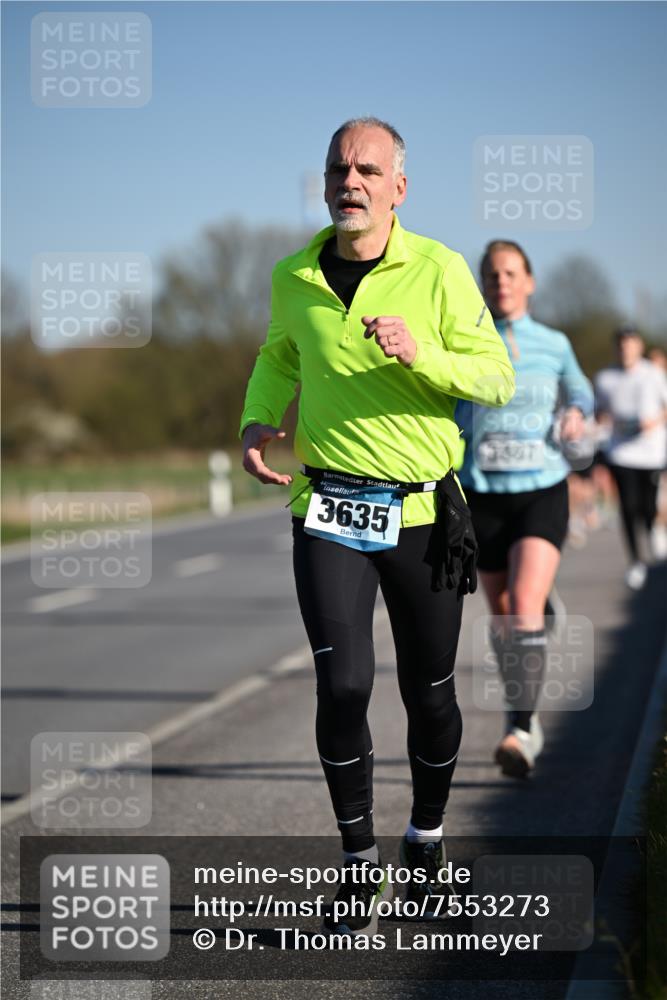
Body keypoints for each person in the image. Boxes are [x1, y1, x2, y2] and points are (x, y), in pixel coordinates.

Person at [240, 118, 514, 936]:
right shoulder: (293, 274)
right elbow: (279, 355)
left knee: (427, 692)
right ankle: (358, 864)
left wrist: (420, 353)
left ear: (399, 186)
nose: (349, 181)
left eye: (367, 169)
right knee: (344, 684)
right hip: (326, 506)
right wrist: (258, 421)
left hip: (423, 512)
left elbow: (494, 377)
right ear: (323, 183)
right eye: (337, 169)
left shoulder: (438, 269)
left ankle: (424, 840)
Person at [456, 240, 594, 779]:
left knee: (523, 608)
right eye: (491, 275)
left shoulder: (554, 343)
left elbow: (580, 390)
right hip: (482, 494)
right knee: (504, 614)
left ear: (529, 281)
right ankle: (524, 713)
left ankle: (520, 729)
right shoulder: (466, 342)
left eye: (511, 273)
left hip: (541, 489)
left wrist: (578, 414)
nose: (501, 282)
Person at [595, 327, 667, 588]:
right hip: (621, 452)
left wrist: (653, 422)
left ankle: (655, 529)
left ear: (639, 346)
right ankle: (636, 561)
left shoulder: (655, 374)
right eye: (621, 345)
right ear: (616, 348)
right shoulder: (605, 378)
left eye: (630, 344)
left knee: (647, 507)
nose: (625, 349)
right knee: (627, 507)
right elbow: (599, 411)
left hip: (651, 452)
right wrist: (603, 419)